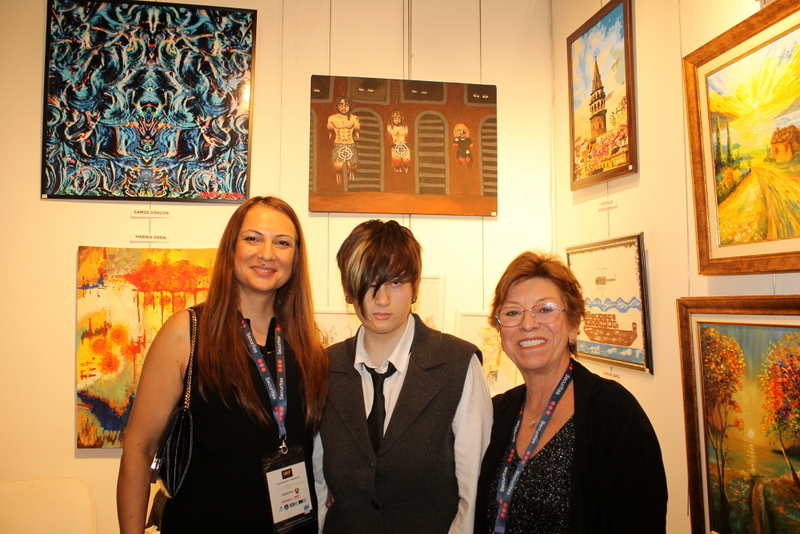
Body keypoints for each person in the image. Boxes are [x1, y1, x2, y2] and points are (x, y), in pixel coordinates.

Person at [117, 196, 328, 534]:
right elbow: (139, 450)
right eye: (253, 238)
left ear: (296, 258)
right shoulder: (187, 332)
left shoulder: (307, 346)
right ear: (231, 248)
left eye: (282, 243)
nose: (267, 253)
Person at [314, 219, 492, 534]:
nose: (382, 299)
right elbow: (316, 480)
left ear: (415, 288)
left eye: (396, 282)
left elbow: (472, 490)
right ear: (348, 290)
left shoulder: (458, 364)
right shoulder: (324, 368)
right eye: (369, 283)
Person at [475, 251, 667, 534]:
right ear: (500, 329)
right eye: (512, 312)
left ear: (574, 325)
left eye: (545, 309)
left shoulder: (613, 413)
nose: (528, 324)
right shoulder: (496, 412)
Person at [327, 96, 360, 184]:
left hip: (350, 143)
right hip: (338, 143)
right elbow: (330, 131)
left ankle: (352, 182)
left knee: (353, 166)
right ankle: (338, 183)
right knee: (337, 167)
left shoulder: (354, 118)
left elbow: (357, 129)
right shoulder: (332, 118)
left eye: (346, 105)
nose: (343, 107)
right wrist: (330, 132)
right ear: (337, 106)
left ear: (350, 106)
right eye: (341, 105)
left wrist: (357, 131)